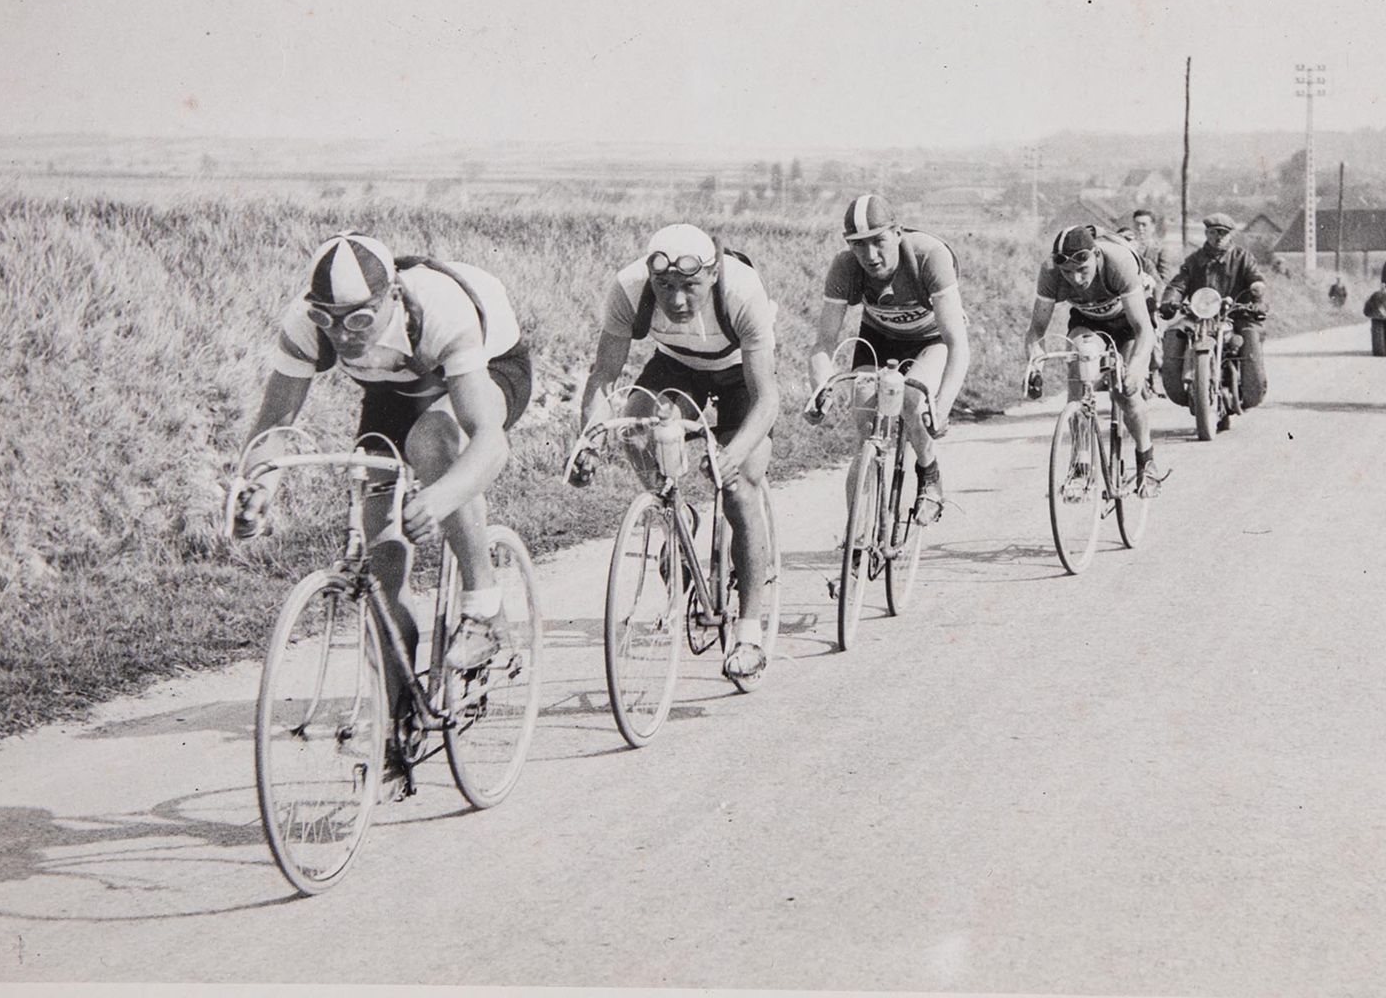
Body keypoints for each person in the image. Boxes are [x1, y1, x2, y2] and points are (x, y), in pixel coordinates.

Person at [232, 233, 532, 788]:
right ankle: (401, 714)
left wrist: (440, 498)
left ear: (391, 296)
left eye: (358, 322)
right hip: (394, 387)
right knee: (381, 558)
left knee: (434, 443)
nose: (341, 337)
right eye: (328, 320)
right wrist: (256, 486)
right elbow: (271, 426)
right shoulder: (308, 325)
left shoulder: (439, 309)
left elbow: (490, 444)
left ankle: (485, 606)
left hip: (483, 366)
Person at [576, 223, 781, 686]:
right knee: (635, 423)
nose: (677, 300)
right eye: (665, 287)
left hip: (738, 377)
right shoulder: (629, 287)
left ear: (711, 275)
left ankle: (748, 634)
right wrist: (589, 436)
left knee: (739, 487)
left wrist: (734, 453)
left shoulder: (742, 290)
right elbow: (604, 377)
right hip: (677, 366)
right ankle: (674, 515)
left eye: (690, 286)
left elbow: (767, 397)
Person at [807, 194, 970, 524]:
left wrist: (941, 407)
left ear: (897, 232)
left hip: (931, 340)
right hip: (878, 338)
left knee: (913, 400)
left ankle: (929, 472)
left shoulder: (929, 256)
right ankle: (856, 538)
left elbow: (958, 345)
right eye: (858, 245)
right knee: (865, 421)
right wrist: (820, 390)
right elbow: (824, 341)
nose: (870, 255)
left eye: (878, 241)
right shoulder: (845, 266)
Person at [1022, 225, 1168, 491]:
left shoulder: (1118, 262)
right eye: (1068, 272)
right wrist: (1035, 365)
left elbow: (1144, 331)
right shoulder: (1051, 272)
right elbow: (1036, 331)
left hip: (1129, 322)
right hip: (1088, 320)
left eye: (1082, 270)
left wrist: (1134, 369)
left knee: (1125, 393)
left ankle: (1146, 459)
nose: (1076, 279)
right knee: (1079, 368)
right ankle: (1080, 463)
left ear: (1096, 255)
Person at [1160, 212, 1269, 409]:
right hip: (1198, 315)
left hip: (1236, 315)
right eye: (1212, 233)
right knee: (1173, 333)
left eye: (1222, 233)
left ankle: (1252, 392)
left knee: (1250, 336)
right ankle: (1178, 390)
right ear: (1206, 234)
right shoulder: (1194, 260)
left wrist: (1258, 297)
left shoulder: (1242, 258)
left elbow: (1255, 279)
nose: (1217, 237)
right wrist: (1170, 300)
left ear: (1230, 235)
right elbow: (1179, 284)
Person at [1125, 208, 1175, 394]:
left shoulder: (1160, 250)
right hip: (1129, 300)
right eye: (1137, 224)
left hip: (1152, 302)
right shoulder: (1128, 247)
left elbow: (1164, 280)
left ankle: (1154, 373)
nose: (1140, 229)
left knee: (1153, 337)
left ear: (1153, 227)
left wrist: (1159, 301)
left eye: (1144, 225)